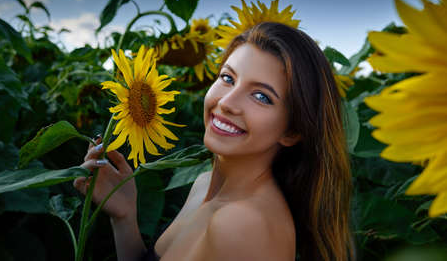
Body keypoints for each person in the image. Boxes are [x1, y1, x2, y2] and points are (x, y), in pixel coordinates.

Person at [74, 22, 355, 261]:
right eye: (227, 78)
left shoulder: (245, 226)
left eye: (261, 96)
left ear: (292, 131)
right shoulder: (203, 184)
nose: (227, 102)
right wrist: (124, 217)